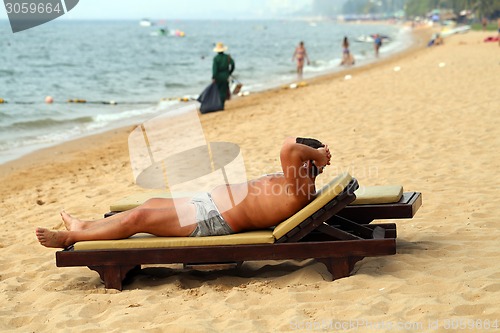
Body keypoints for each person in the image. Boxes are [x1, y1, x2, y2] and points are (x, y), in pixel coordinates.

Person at [36, 137, 332, 248]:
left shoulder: (302, 187)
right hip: (207, 203)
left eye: (307, 157)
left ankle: (69, 237)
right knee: (150, 203)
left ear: (306, 162)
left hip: (213, 218)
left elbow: (287, 147)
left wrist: (319, 156)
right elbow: (292, 150)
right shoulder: (293, 181)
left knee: (140, 218)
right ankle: (84, 226)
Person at [212, 42, 235, 110]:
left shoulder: (216, 58)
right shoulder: (227, 57)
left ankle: (219, 105)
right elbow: (233, 65)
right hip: (225, 76)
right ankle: (222, 105)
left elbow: (214, 70)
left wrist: (214, 77)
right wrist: (229, 72)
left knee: (218, 91)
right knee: (224, 91)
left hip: (218, 77)